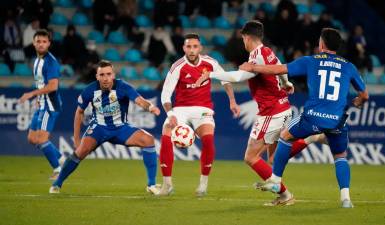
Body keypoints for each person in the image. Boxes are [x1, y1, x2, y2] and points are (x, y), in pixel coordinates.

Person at [195, 21, 322, 206]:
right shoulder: (267, 51)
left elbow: (238, 77)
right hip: (283, 108)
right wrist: (286, 83)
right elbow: (281, 66)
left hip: (271, 113)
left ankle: (285, 193)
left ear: (247, 37)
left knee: (250, 157)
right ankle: (287, 192)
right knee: (273, 158)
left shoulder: (256, 58)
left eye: (243, 38)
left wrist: (211, 75)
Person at [239, 28, 369, 208]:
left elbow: (279, 69)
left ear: (321, 44)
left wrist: (253, 67)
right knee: (340, 156)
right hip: (337, 119)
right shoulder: (349, 66)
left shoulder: (311, 61)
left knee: (285, 136)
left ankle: (276, 179)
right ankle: (346, 199)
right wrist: (359, 101)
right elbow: (365, 95)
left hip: (312, 117)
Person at [49, 60, 161, 194]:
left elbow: (139, 100)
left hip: (121, 128)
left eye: (108, 74)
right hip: (99, 128)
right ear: (97, 76)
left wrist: (150, 107)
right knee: (80, 152)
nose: (106, 78)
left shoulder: (123, 86)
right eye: (102, 75)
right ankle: (57, 183)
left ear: (113, 75)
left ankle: (151, 185)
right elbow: (79, 112)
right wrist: (77, 139)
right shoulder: (89, 90)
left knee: (148, 140)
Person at [158, 33, 240, 197]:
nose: (192, 50)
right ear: (184, 48)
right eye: (189, 46)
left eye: (195, 46)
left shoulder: (210, 62)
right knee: (166, 135)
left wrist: (232, 101)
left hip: (203, 109)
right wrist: (171, 114)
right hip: (180, 109)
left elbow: (226, 79)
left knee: (208, 139)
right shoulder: (177, 66)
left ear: (200, 48)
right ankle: (167, 185)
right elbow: (165, 94)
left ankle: (203, 184)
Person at [18, 29, 65, 180]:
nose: (41, 44)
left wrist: (32, 94)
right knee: (32, 139)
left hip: (50, 106)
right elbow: (41, 83)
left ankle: (58, 170)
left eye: (44, 42)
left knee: (42, 139)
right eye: (38, 41)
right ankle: (62, 159)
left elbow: (53, 86)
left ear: (49, 44)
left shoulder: (51, 62)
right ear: (34, 43)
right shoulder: (37, 60)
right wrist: (39, 98)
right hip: (42, 103)